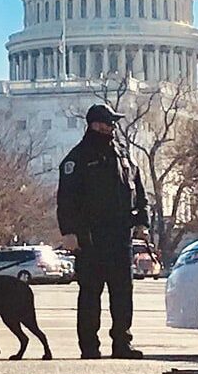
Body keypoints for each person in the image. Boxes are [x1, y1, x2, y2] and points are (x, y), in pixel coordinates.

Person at [57, 103, 149, 359]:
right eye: (109, 123)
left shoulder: (123, 156)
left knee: (122, 293)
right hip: (91, 239)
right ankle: (89, 347)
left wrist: (142, 222)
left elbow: (139, 192)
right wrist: (70, 233)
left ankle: (122, 343)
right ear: (96, 125)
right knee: (90, 294)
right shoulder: (77, 158)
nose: (113, 127)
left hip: (120, 237)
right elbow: (66, 200)